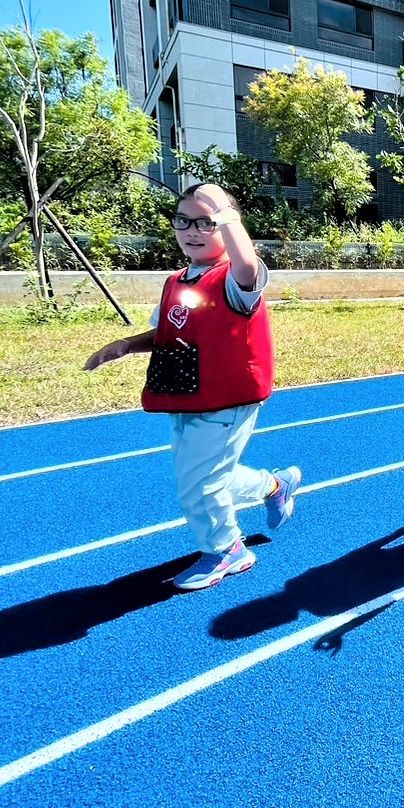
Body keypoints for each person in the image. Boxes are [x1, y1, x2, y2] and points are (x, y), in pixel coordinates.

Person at [84, 183, 301, 591]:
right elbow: (170, 331)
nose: (192, 230)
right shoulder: (180, 280)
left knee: (198, 485)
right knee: (206, 476)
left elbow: (248, 265)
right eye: (183, 220)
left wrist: (225, 210)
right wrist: (126, 346)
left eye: (207, 221)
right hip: (186, 394)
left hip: (225, 398)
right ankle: (275, 486)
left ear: (226, 226)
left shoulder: (235, 279)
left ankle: (227, 551)